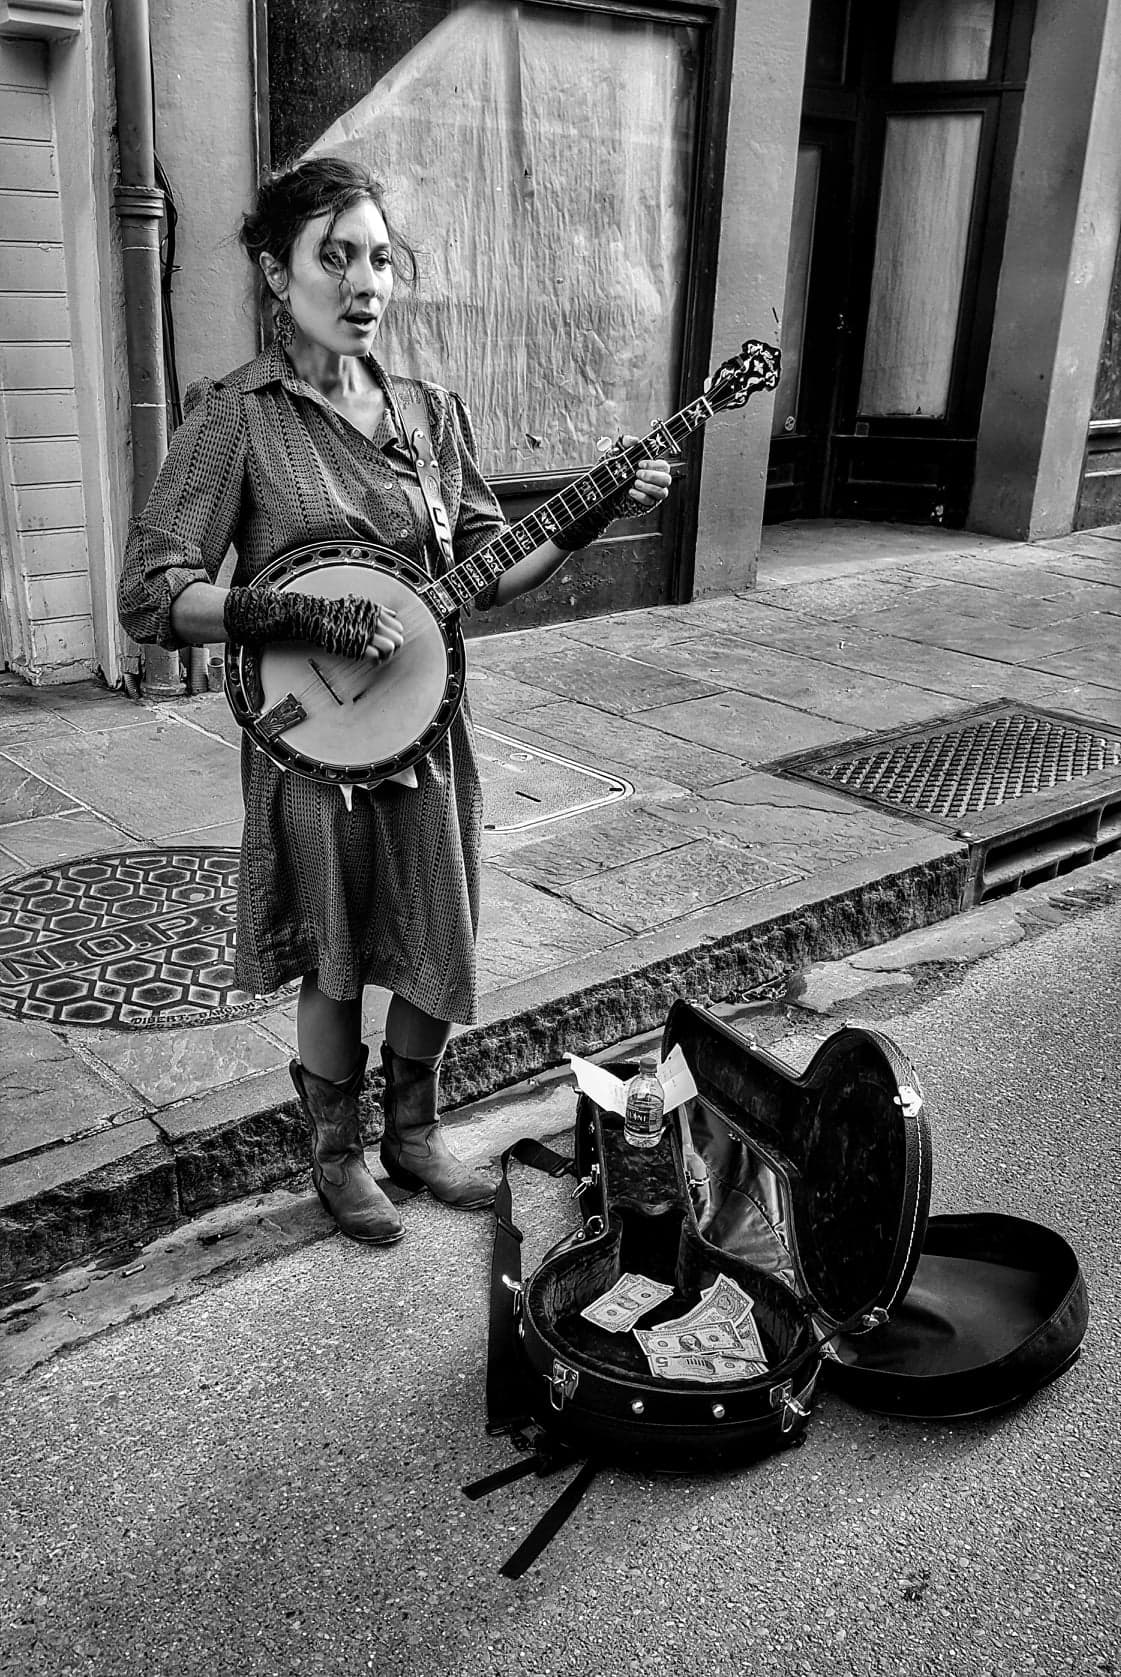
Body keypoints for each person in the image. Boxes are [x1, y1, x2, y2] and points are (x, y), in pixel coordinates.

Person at [118, 155, 672, 1248]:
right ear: (278, 274)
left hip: (427, 723)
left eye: (379, 259)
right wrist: (290, 616)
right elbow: (150, 593)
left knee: (435, 928)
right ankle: (337, 1153)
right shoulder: (236, 419)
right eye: (336, 258)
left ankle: (414, 1135)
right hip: (314, 742)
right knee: (336, 947)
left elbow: (488, 568)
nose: (364, 283)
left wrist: (592, 507)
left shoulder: (426, 414)